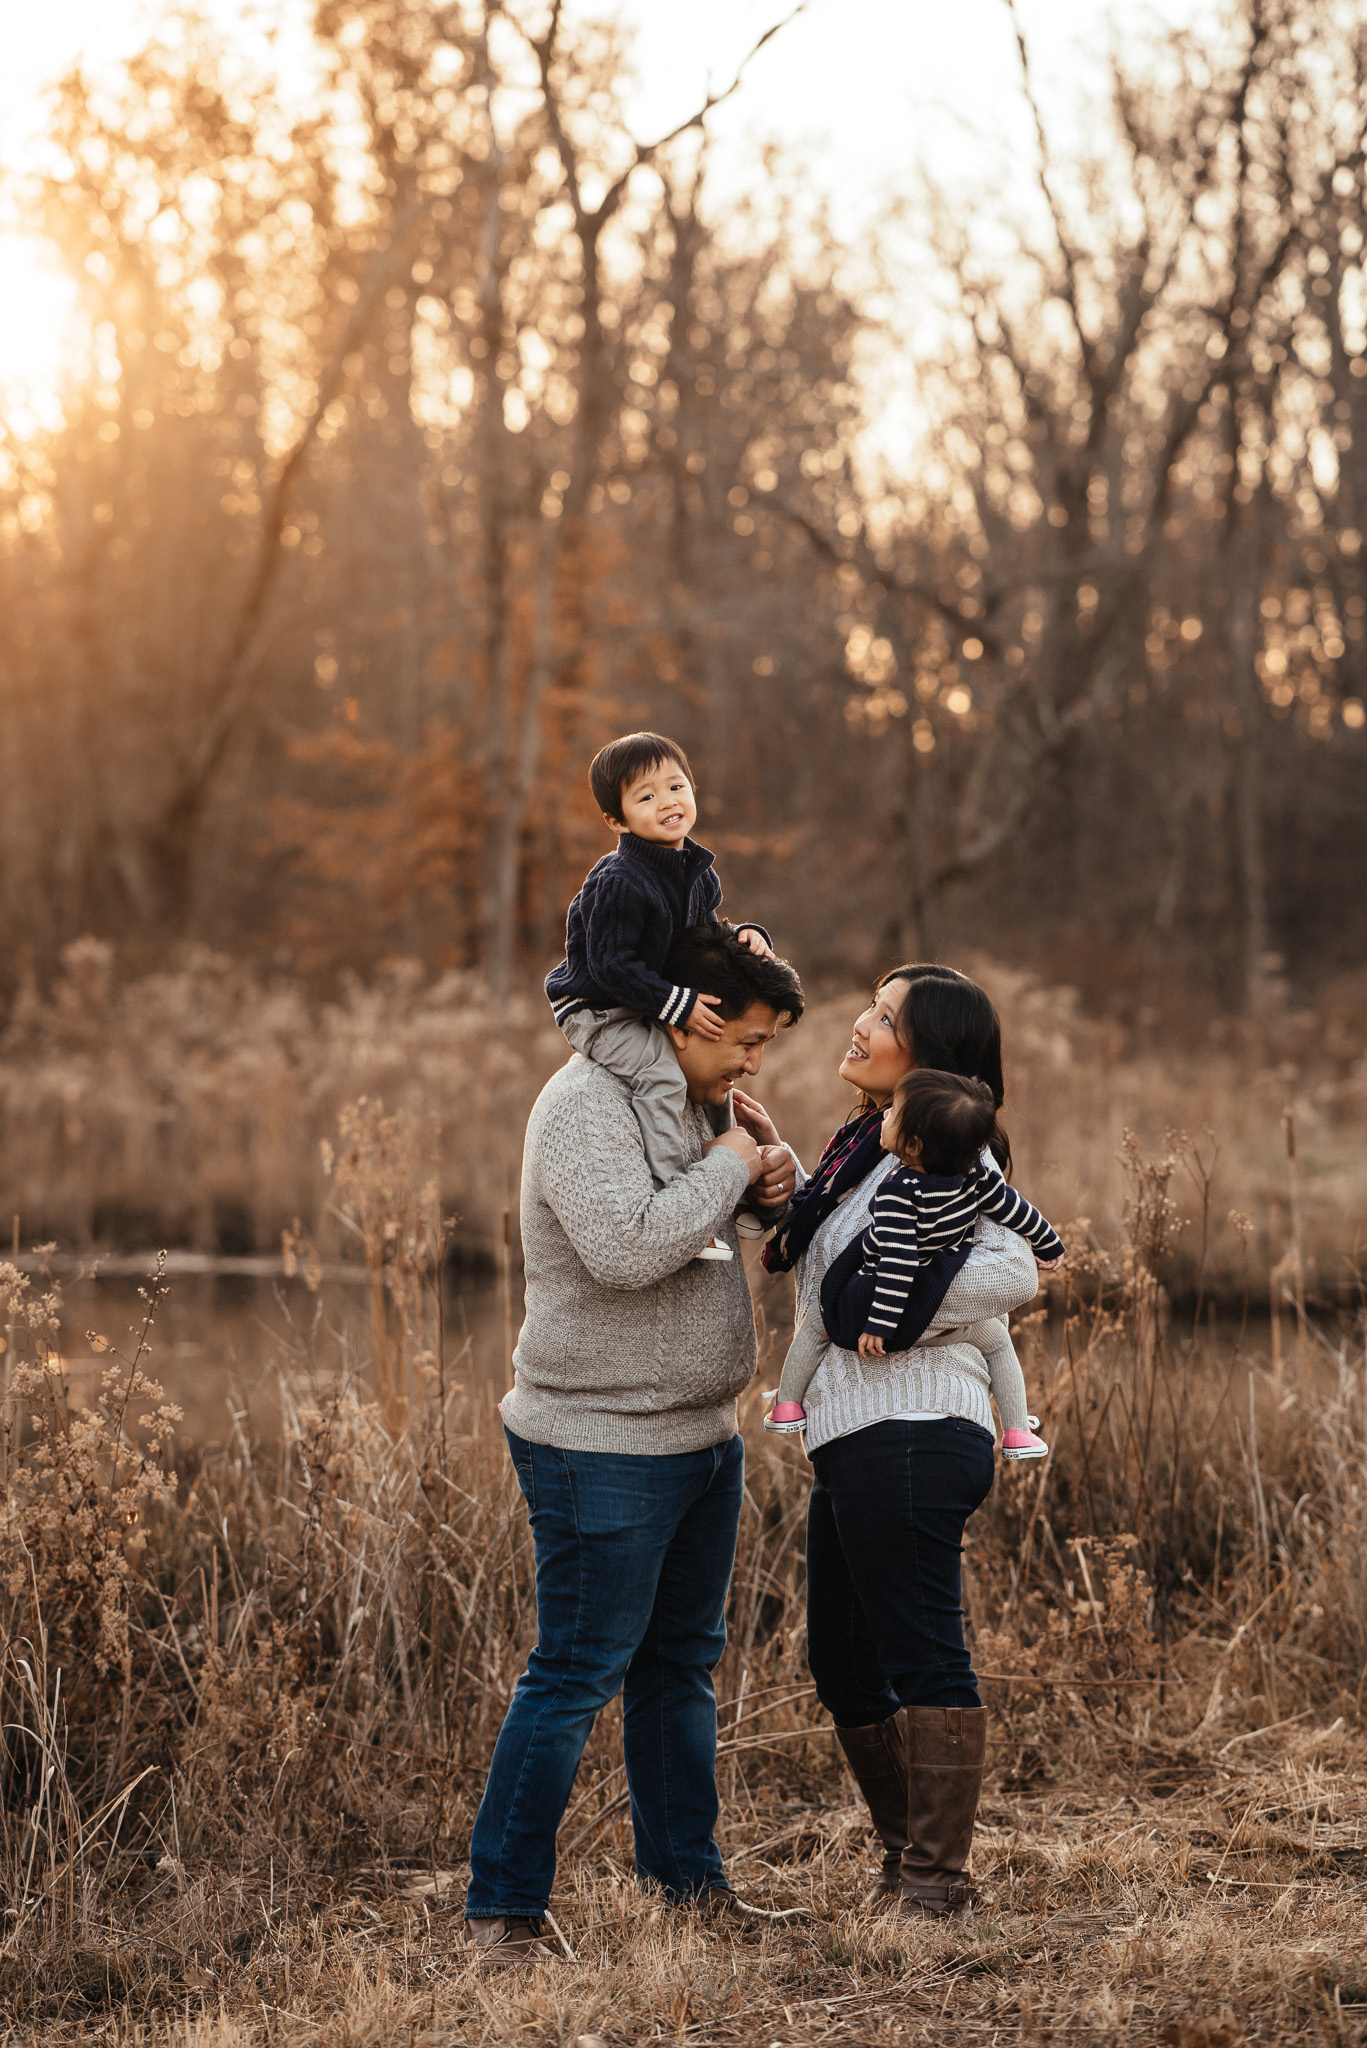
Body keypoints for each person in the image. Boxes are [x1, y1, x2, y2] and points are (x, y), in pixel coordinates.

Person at [464, 922, 804, 1966]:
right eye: (742, 1039)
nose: (752, 1061)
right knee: (573, 1671)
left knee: (678, 1668)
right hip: (597, 1440)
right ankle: (503, 1912)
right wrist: (727, 1161)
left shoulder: (693, 1100)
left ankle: (688, 1886)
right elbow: (622, 1249)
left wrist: (761, 1180)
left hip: (699, 1435)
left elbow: (696, 1227)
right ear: (688, 1012)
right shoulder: (581, 1105)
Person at [735, 964, 1041, 1919]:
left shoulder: (955, 1153)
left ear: (930, 1058)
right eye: (868, 1005)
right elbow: (829, 1254)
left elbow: (1015, 1267)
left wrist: (894, 1313)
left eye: (884, 1015)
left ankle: (933, 1886)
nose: (859, 1024)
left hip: (913, 1423)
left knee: (919, 1658)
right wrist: (771, 1163)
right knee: (842, 1661)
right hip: (856, 1432)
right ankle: (910, 1858)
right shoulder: (864, 1150)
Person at [545, 730, 774, 1261]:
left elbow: (702, 943)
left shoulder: (697, 873)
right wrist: (676, 1003)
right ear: (617, 821)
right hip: (599, 1006)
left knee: (715, 1084)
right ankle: (679, 1200)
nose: (668, 801)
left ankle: (733, 1191)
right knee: (663, 1073)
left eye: (677, 786)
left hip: (652, 999)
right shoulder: (621, 881)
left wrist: (748, 935)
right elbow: (609, 965)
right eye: (646, 796)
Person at [764, 1067, 1062, 1459]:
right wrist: (1049, 1244)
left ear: (915, 1144)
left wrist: (879, 1325)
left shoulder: (897, 1191)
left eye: (894, 1113)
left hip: (880, 1289)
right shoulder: (973, 1174)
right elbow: (1015, 1209)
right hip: (944, 1276)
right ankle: (1017, 1431)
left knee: (820, 1320)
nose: (884, 1115)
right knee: (997, 1341)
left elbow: (898, 1260)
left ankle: (787, 1406)